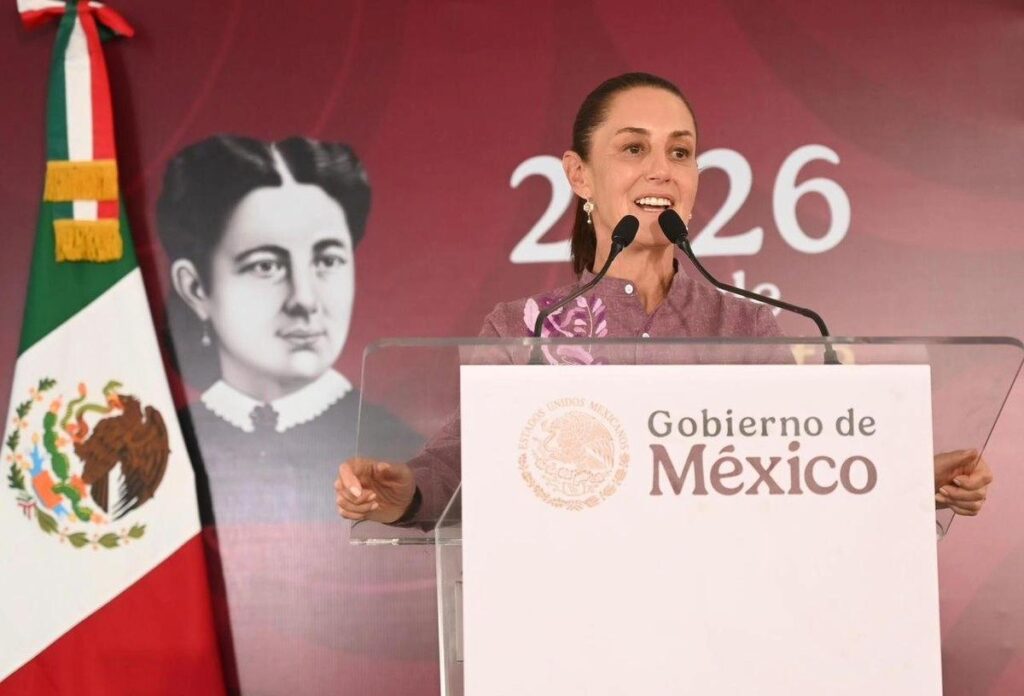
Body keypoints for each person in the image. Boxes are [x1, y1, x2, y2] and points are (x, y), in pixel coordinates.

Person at [333, 72, 993, 527]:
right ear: (579, 174)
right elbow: (464, 469)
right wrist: (404, 494)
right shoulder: (525, 330)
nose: (661, 170)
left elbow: (810, 468)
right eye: (633, 148)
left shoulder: (746, 328)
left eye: (681, 152)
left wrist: (911, 479)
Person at [157, 135, 434, 693]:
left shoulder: (407, 458)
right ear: (195, 287)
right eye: (266, 265)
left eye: (328, 260)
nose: (305, 299)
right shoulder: (162, 454)